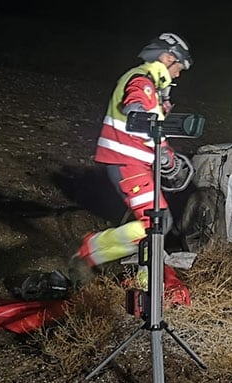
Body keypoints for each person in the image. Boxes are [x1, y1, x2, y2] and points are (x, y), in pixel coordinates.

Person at [71, 33, 193, 303]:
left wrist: (165, 143)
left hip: (132, 162)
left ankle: (145, 284)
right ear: (167, 58)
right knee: (157, 223)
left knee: (157, 223)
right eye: (179, 67)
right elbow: (137, 113)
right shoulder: (142, 80)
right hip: (127, 162)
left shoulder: (150, 87)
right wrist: (165, 156)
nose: (179, 74)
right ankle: (91, 251)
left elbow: (151, 129)